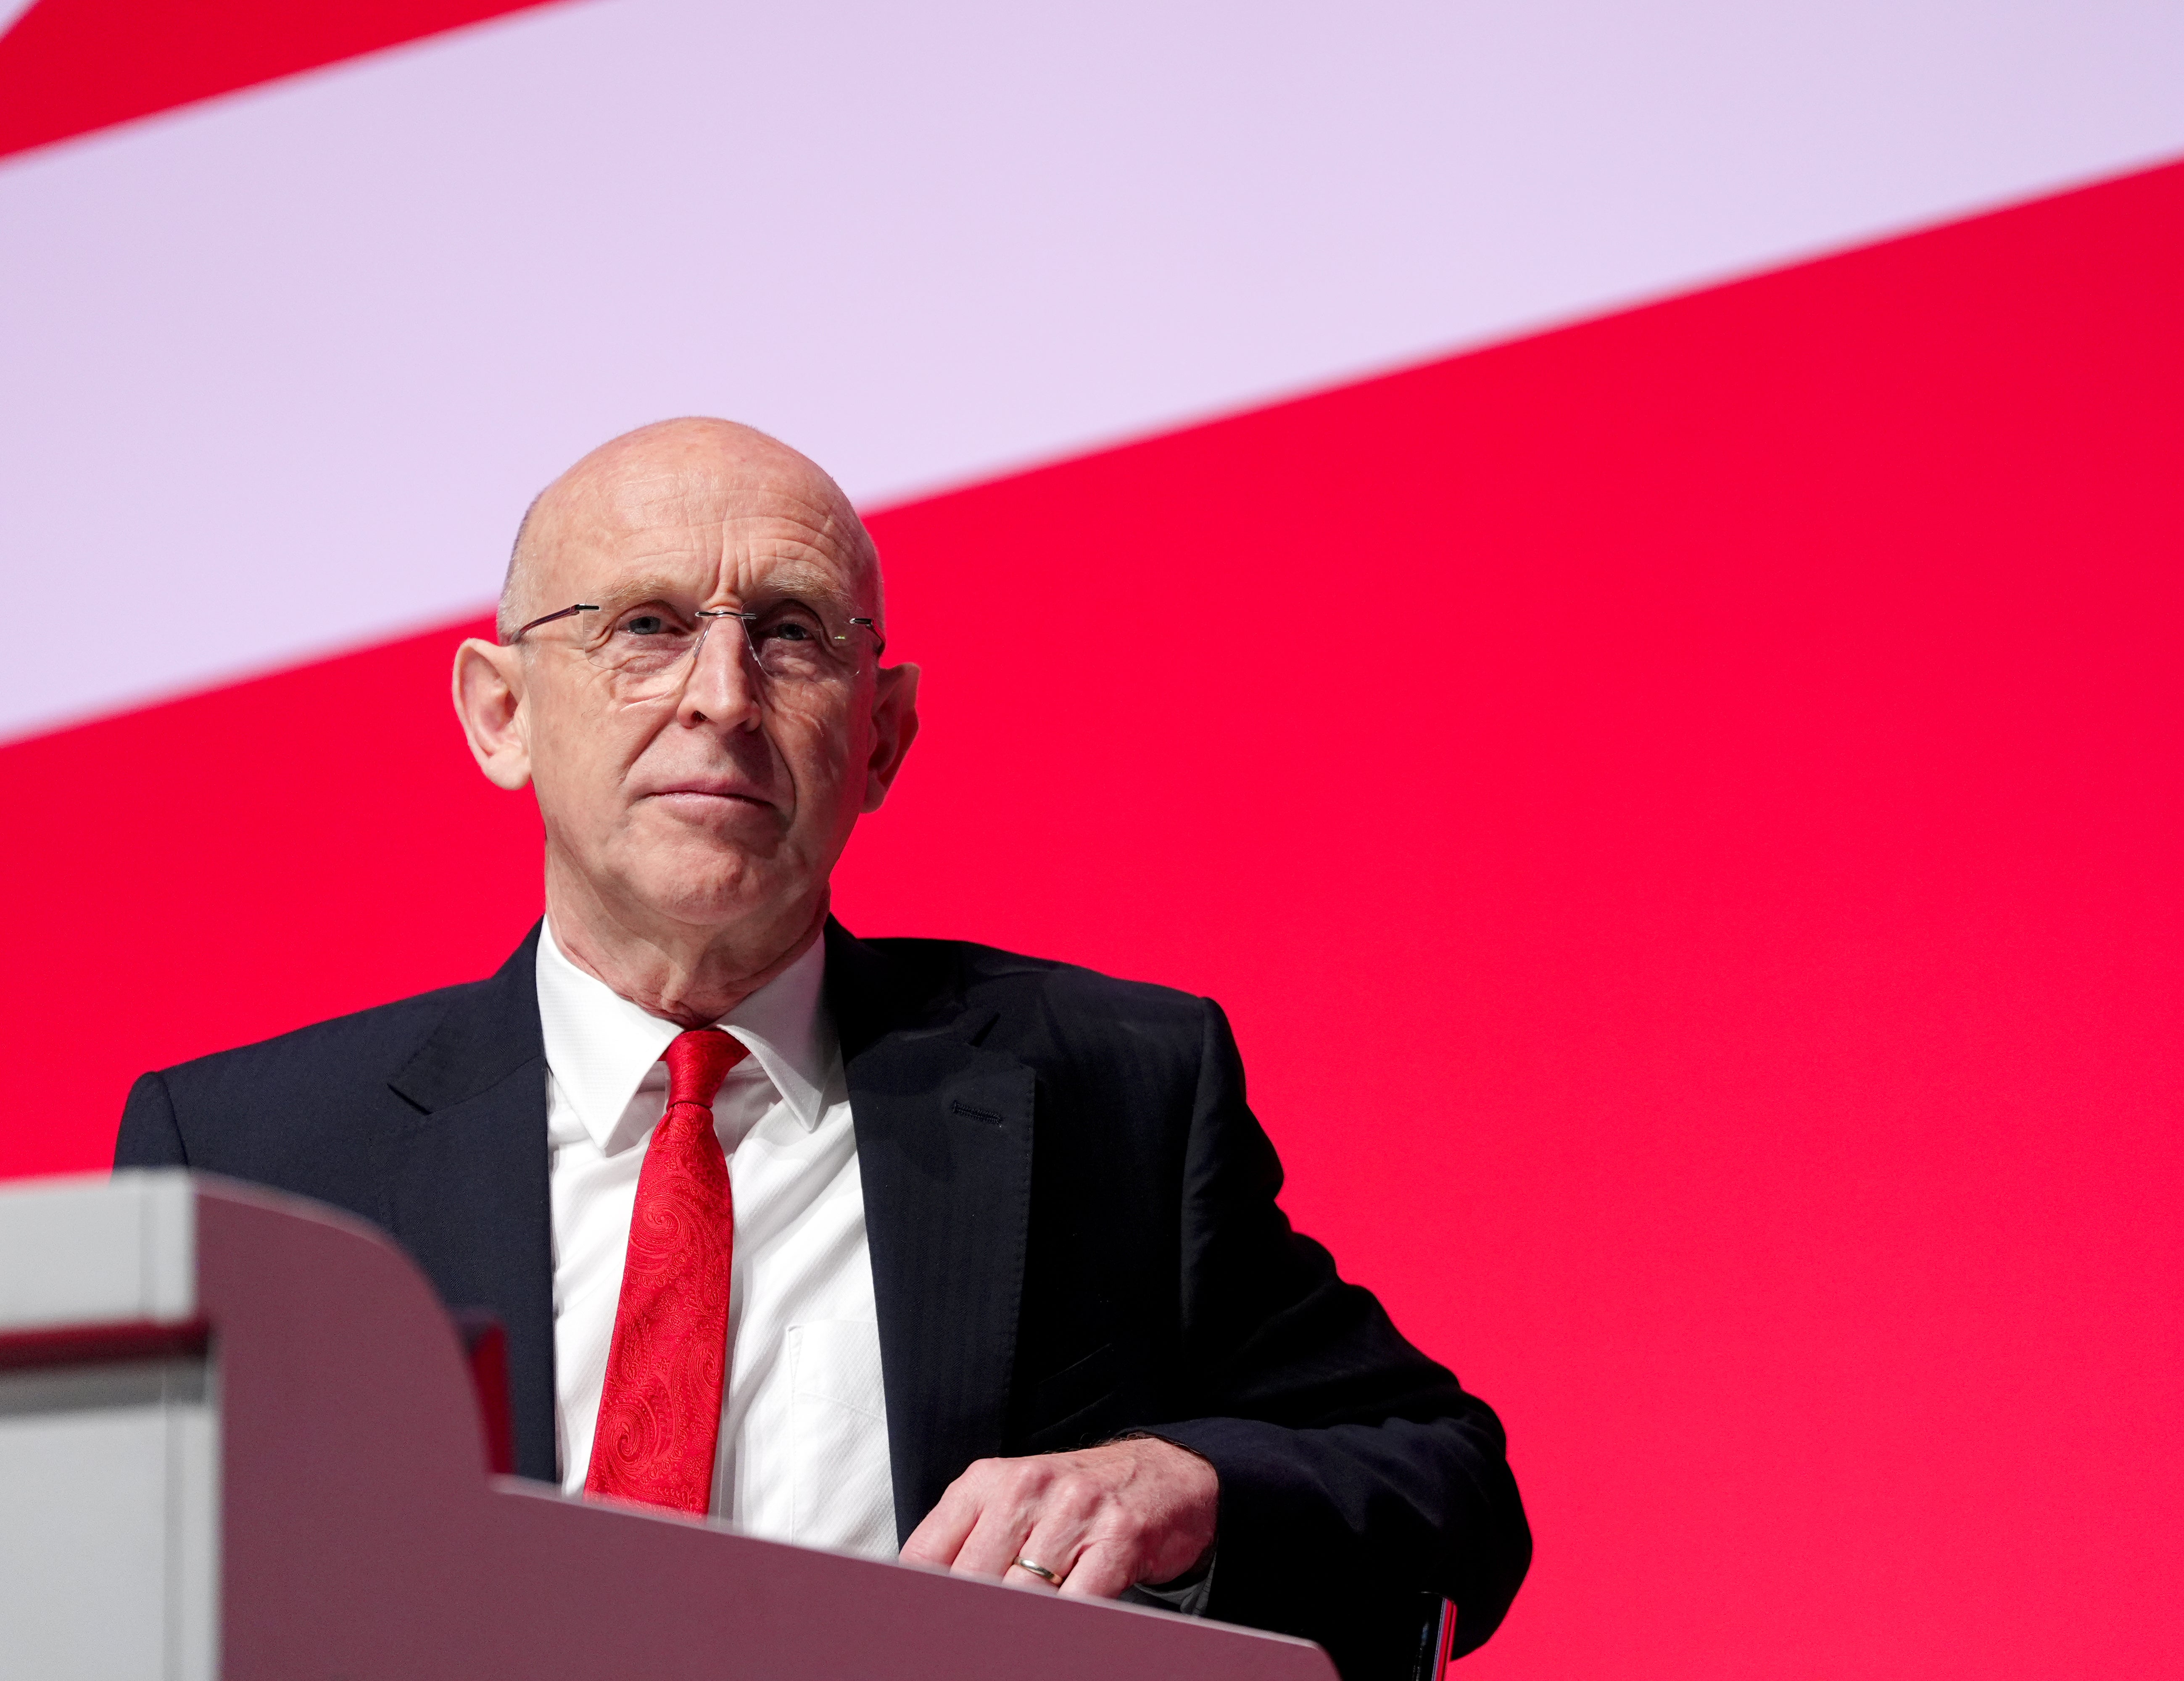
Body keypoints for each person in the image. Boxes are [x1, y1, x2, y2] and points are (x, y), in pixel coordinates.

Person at [115, 418, 1529, 1676]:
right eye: (646, 627)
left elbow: (1446, 1488)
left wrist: (1178, 1488)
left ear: (885, 737)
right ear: (501, 713)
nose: (723, 697)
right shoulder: (253, 1160)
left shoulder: (1112, 1089)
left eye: (791, 633)